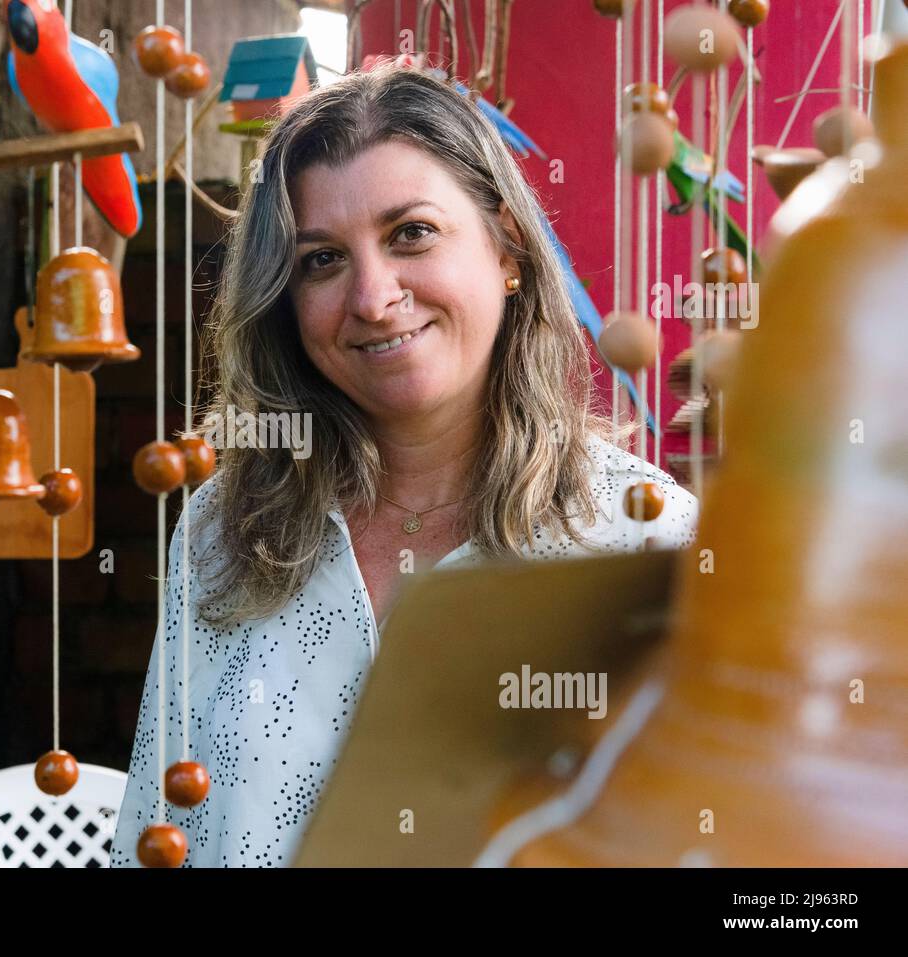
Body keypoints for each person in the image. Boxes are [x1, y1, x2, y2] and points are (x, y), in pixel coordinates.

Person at [109, 65, 697, 867]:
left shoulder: (643, 535)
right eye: (321, 260)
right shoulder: (221, 528)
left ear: (508, 251)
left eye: (411, 233)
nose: (374, 296)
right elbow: (157, 828)